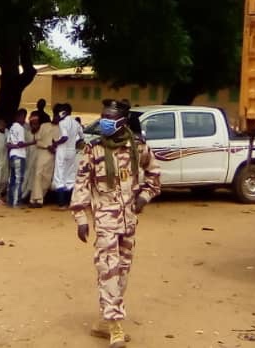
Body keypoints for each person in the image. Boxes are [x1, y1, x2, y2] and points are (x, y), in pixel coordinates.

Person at [72, 99, 162, 347]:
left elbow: (154, 176)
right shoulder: (94, 150)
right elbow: (81, 185)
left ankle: (104, 320)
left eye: (109, 118)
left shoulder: (138, 148)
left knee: (122, 272)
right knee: (108, 269)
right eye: (103, 116)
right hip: (104, 221)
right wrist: (80, 218)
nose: (104, 122)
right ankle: (115, 326)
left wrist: (144, 197)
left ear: (122, 122)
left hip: (128, 222)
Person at [53, 104, 83, 208]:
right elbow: (81, 137)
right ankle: (70, 201)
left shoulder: (62, 122)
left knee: (59, 176)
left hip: (62, 150)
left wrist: (55, 143)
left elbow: (64, 137)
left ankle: (61, 203)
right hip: (72, 150)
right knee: (69, 176)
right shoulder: (76, 123)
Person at [30, 115, 59, 207]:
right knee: (38, 175)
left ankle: (41, 198)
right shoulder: (44, 126)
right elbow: (37, 141)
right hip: (42, 153)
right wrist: (47, 146)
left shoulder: (62, 128)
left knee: (47, 178)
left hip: (52, 156)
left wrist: (55, 148)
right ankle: (35, 199)